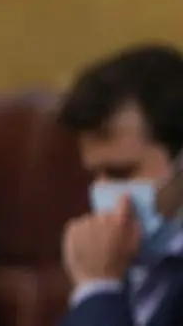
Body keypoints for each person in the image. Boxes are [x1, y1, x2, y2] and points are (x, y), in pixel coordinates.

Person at [56, 43, 183, 326]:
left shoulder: (104, 275)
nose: (103, 193)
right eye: (95, 174)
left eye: (120, 173)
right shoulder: (123, 264)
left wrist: (98, 288)